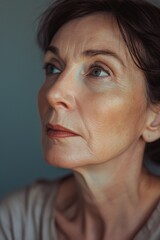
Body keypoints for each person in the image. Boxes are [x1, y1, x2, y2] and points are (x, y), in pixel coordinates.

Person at [1, 0, 160, 239]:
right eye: (53, 68)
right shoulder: (16, 220)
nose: (54, 94)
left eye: (98, 71)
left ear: (155, 119)